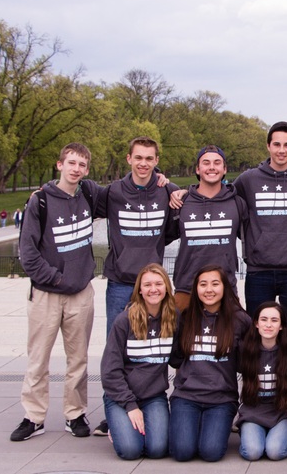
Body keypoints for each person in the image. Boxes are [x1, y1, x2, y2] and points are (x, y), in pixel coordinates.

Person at [11, 142, 102, 441]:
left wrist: (167, 185)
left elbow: (127, 191)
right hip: (46, 295)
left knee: (78, 360)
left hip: (81, 294)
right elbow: (28, 254)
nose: (76, 169)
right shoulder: (40, 201)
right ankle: (34, 416)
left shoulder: (88, 194)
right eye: (71, 163)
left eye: (82, 165)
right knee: (38, 358)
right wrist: (57, 279)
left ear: (87, 170)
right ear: (59, 164)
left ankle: (74, 414)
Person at [93, 136, 177, 436]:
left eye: (149, 159)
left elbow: (171, 228)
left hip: (152, 285)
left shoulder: (165, 190)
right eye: (138, 158)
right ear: (129, 159)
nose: (144, 163)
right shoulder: (113, 191)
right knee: (117, 349)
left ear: (157, 161)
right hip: (120, 282)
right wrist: (43, 191)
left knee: (152, 346)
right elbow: (76, 196)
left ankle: (149, 402)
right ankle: (113, 413)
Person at [232, 121, 287, 331]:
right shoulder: (248, 179)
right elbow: (220, 197)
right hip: (259, 270)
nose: (281, 150)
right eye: (276, 144)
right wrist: (185, 192)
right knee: (257, 333)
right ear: (268, 146)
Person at [168, 264, 251, 461]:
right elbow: (175, 358)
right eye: (203, 284)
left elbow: (247, 361)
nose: (209, 290)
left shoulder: (240, 320)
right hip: (187, 396)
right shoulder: (186, 318)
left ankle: (208, 425)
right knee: (182, 452)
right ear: (196, 289)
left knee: (211, 452)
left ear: (225, 287)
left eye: (215, 284)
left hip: (221, 399)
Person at [100, 263, 178, 460]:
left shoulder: (173, 318)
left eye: (159, 283)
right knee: (130, 450)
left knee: (158, 449)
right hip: (122, 397)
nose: (153, 289)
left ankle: (129, 426)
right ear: (140, 290)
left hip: (153, 396)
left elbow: (179, 357)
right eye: (147, 285)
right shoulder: (124, 320)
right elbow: (110, 371)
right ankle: (118, 426)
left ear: (166, 287)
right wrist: (130, 406)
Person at [171, 145, 248, 311]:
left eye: (217, 163)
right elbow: (162, 239)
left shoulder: (237, 203)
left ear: (224, 168)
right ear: (198, 169)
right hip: (186, 288)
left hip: (225, 289)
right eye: (206, 163)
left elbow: (251, 237)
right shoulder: (181, 202)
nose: (211, 167)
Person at [236, 301, 287, 461]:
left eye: (274, 320)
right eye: (264, 319)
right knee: (253, 452)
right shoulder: (245, 349)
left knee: (274, 451)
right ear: (256, 323)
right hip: (254, 411)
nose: (268, 325)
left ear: (281, 325)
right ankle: (256, 433)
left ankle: (285, 435)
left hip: (286, 411)